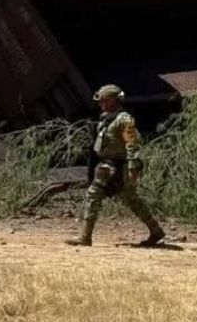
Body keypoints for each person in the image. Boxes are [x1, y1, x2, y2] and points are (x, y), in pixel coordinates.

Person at [67, 84, 166, 247]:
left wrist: (134, 166)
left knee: (95, 194)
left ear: (113, 101)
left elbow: (132, 143)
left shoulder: (124, 119)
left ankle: (85, 237)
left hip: (119, 166)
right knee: (132, 201)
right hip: (106, 165)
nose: (101, 104)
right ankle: (156, 231)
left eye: (104, 100)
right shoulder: (106, 118)